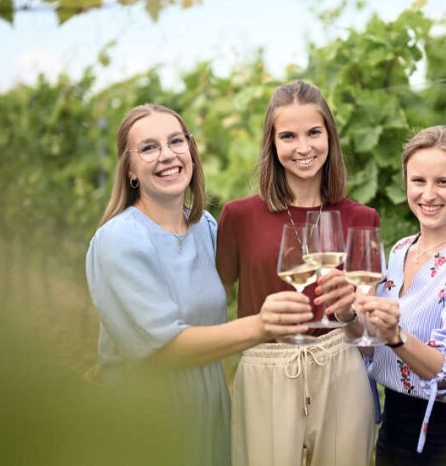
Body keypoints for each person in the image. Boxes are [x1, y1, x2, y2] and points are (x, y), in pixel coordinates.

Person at [85, 104, 313, 466]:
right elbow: (162, 350)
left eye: (177, 141)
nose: (167, 155)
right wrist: (261, 325)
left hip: (209, 412)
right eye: (148, 147)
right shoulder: (120, 239)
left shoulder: (204, 227)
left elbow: (252, 278)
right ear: (129, 169)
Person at [216, 81, 380, 466]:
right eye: (288, 136)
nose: (303, 148)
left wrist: (349, 313)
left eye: (314, 133)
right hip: (266, 368)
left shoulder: (362, 219)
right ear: (272, 144)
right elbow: (213, 300)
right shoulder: (238, 217)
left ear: (330, 137)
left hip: (340, 366)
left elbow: (369, 340)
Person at [357, 125, 446, 466]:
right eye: (418, 181)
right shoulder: (401, 250)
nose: (428, 194)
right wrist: (353, 311)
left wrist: (395, 336)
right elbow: (373, 343)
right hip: (394, 426)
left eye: (443, 182)